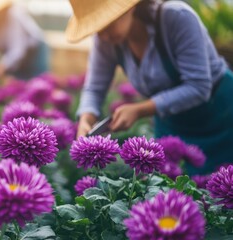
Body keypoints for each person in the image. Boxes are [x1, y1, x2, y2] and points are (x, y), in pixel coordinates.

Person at [69, 0, 233, 174]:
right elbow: (94, 88)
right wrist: (86, 119)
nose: (103, 35)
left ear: (128, 7)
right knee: (174, 190)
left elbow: (199, 86)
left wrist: (139, 110)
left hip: (222, 117)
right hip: (172, 125)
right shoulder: (106, 40)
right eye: (95, 28)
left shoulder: (177, 17)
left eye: (106, 23)